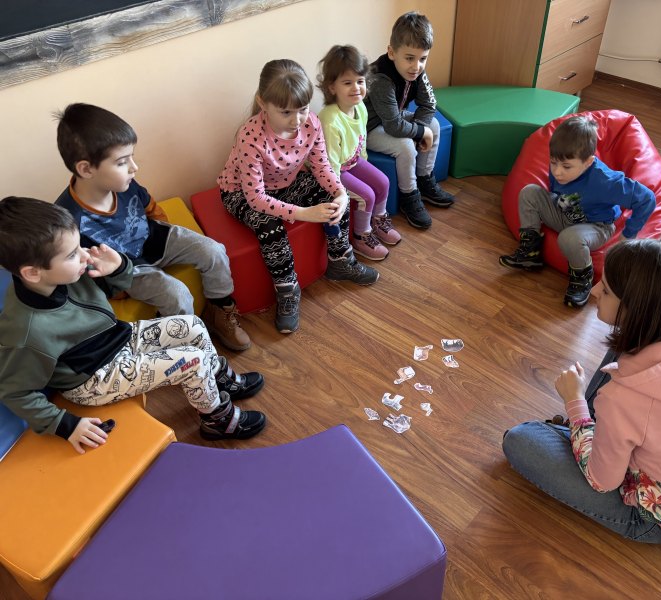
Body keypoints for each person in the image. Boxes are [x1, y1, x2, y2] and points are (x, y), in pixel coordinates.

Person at [502, 238, 661, 543]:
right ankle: (602, 434)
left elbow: (602, 481)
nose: (594, 291)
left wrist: (575, 402)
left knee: (520, 439)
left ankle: (589, 432)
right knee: (620, 368)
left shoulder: (622, 399)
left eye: (607, 291)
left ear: (637, 311)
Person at [0, 197, 267, 452]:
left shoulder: (66, 273)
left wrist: (117, 267)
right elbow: (16, 392)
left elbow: (117, 286)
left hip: (118, 339)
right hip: (94, 378)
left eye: (79, 246)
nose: (84, 255)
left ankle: (218, 380)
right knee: (191, 362)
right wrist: (65, 425)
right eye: (71, 254)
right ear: (32, 273)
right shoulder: (27, 331)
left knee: (193, 325)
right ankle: (217, 421)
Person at [54, 103, 251, 352]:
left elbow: (150, 207)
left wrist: (169, 235)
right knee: (176, 294)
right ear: (86, 169)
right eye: (122, 162)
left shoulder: (125, 183)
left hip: (152, 238)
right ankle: (186, 342)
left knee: (213, 250)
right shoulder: (69, 221)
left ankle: (220, 310)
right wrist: (119, 289)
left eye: (132, 157)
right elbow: (88, 271)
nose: (134, 167)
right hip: (127, 269)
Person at [218, 59, 379, 334]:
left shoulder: (311, 123)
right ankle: (287, 290)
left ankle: (341, 261)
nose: (296, 120)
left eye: (302, 109)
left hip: (285, 184)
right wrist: (303, 213)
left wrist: (340, 192)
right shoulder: (250, 136)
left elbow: (321, 166)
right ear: (263, 103)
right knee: (268, 225)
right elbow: (255, 198)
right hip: (240, 193)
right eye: (286, 112)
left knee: (330, 195)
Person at [499, 115, 656, 308]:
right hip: (565, 212)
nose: (557, 172)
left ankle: (582, 278)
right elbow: (555, 191)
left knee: (568, 238)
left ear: (588, 162)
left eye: (566, 166)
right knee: (529, 192)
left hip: (596, 226)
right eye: (553, 162)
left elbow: (647, 199)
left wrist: (628, 234)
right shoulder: (559, 166)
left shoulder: (605, 181)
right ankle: (531, 253)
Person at [364, 11, 455, 230]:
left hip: (393, 116)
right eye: (409, 58)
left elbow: (429, 104)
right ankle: (409, 195)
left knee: (434, 125)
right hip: (370, 127)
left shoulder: (417, 72)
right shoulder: (381, 78)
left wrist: (421, 129)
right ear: (392, 52)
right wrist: (419, 134)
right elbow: (393, 126)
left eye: (423, 59)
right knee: (405, 146)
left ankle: (424, 178)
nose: (416, 66)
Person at [318, 45, 400, 261]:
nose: (356, 88)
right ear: (332, 87)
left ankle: (378, 222)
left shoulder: (360, 108)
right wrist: (337, 189)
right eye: (347, 83)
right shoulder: (330, 119)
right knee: (367, 195)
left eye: (360, 81)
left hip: (352, 161)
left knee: (383, 182)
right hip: (334, 171)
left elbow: (360, 142)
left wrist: (364, 165)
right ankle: (361, 236)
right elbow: (330, 164)